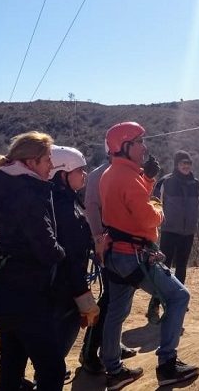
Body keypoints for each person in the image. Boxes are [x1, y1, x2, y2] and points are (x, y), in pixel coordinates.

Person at [100, 122, 199, 389]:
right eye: (139, 142)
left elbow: (129, 201)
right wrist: (157, 202)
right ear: (125, 146)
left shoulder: (111, 174)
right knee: (179, 296)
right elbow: (148, 217)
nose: (144, 147)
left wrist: (149, 179)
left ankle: (112, 367)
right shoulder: (128, 178)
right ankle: (167, 364)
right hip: (132, 256)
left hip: (115, 254)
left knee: (116, 311)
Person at [0, 131, 67, 391]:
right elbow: (45, 246)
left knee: (12, 367)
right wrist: (62, 253)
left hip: (8, 291)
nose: (51, 166)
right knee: (52, 369)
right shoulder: (27, 192)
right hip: (28, 295)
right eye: (47, 160)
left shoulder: (7, 184)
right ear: (31, 162)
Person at [79, 150, 138, 374]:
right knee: (110, 299)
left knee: (122, 298)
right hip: (109, 245)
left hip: (128, 246)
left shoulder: (131, 172)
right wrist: (98, 240)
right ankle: (89, 350)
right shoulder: (100, 174)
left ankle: (111, 345)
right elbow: (92, 209)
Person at [48, 145, 101, 364]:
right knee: (60, 339)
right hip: (63, 287)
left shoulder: (64, 200)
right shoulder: (63, 207)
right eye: (79, 170)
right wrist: (82, 295)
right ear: (63, 174)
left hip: (60, 284)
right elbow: (70, 256)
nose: (84, 175)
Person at [146, 150, 199, 323]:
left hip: (187, 232)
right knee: (163, 268)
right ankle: (154, 304)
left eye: (188, 163)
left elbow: (196, 205)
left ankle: (177, 303)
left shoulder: (196, 184)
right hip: (169, 231)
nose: (186, 166)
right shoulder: (166, 182)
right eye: (183, 163)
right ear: (176, 165)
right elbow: (154, 204)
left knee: (182, 268)